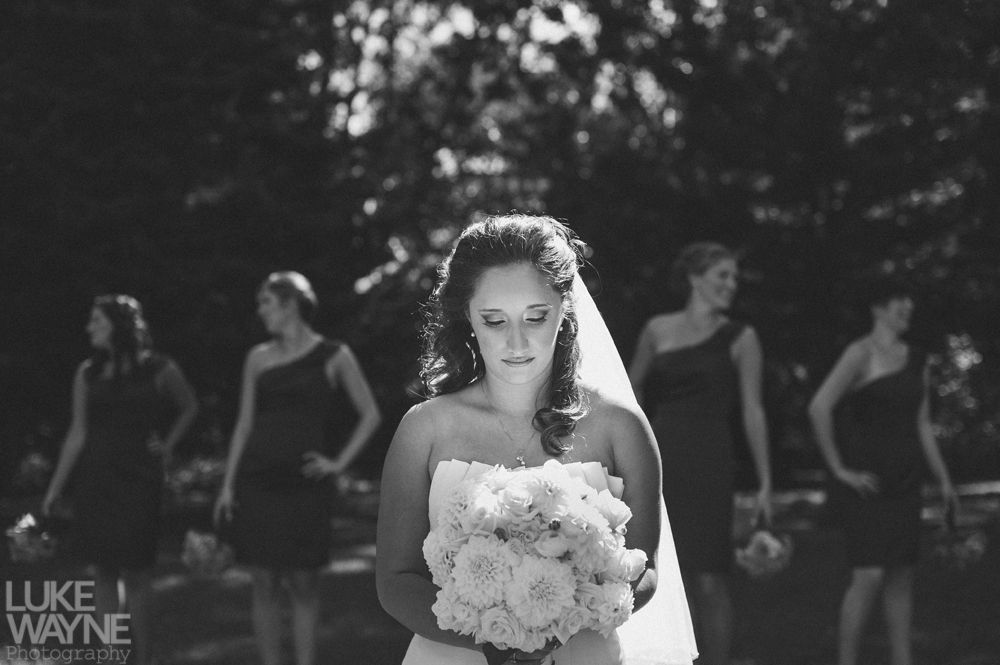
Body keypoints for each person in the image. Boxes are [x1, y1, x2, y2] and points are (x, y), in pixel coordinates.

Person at [376, 213, 698, 665]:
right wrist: (495, 639)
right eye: (494, 320)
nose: (517, 341)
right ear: (467, 314)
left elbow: (644, 572)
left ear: (565, 309)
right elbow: (395, 580)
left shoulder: (620, 426)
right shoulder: (424, 428)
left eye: (536, 316)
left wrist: (564, 619)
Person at [213, 271, 382, 665]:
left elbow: (370, 414)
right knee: (264, 582)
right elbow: (244, 423)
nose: (260, 312)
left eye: (266, 303)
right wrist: (227, 485)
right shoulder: (257, 358)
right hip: (258, 483)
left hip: (306, 486)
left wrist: (338, 463)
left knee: (304, 584)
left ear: (290, 305)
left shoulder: (334, 354)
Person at [627, 242, 773, 665]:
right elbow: (630, 389)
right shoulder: (657, 329)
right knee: (661, 574)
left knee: (710, 578)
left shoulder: (742, 338)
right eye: (722, 275)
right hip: (659, 456)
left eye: (734, 278)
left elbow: (753, 410)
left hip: (711, 460)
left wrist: (764, 482)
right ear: (695, 278)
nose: (732, 285)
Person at [808, 276, 958, 665]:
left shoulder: (918, 359)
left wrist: (943, 480)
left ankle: (902, 659)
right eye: (898, 300)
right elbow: (819, 407)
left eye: (909, 299)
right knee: (869, 574)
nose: (907, 306)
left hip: (906, 481)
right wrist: (839, 468)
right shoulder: (859, 353)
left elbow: (923, 423)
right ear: (877, 308)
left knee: (901, 575)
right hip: (867, 485)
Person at [43, 294, 198, 665]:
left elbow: (190, 406)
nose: (89, 327)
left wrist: (168, 445)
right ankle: (110, 657)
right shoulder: (87, 373)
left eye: (97, 320)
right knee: (103, 571)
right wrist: (54, 489)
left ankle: (142, 658)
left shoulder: (160, 369)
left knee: (138, 573)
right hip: (96, 480)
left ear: (119, 325)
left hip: (140, 479)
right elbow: (77, 433)